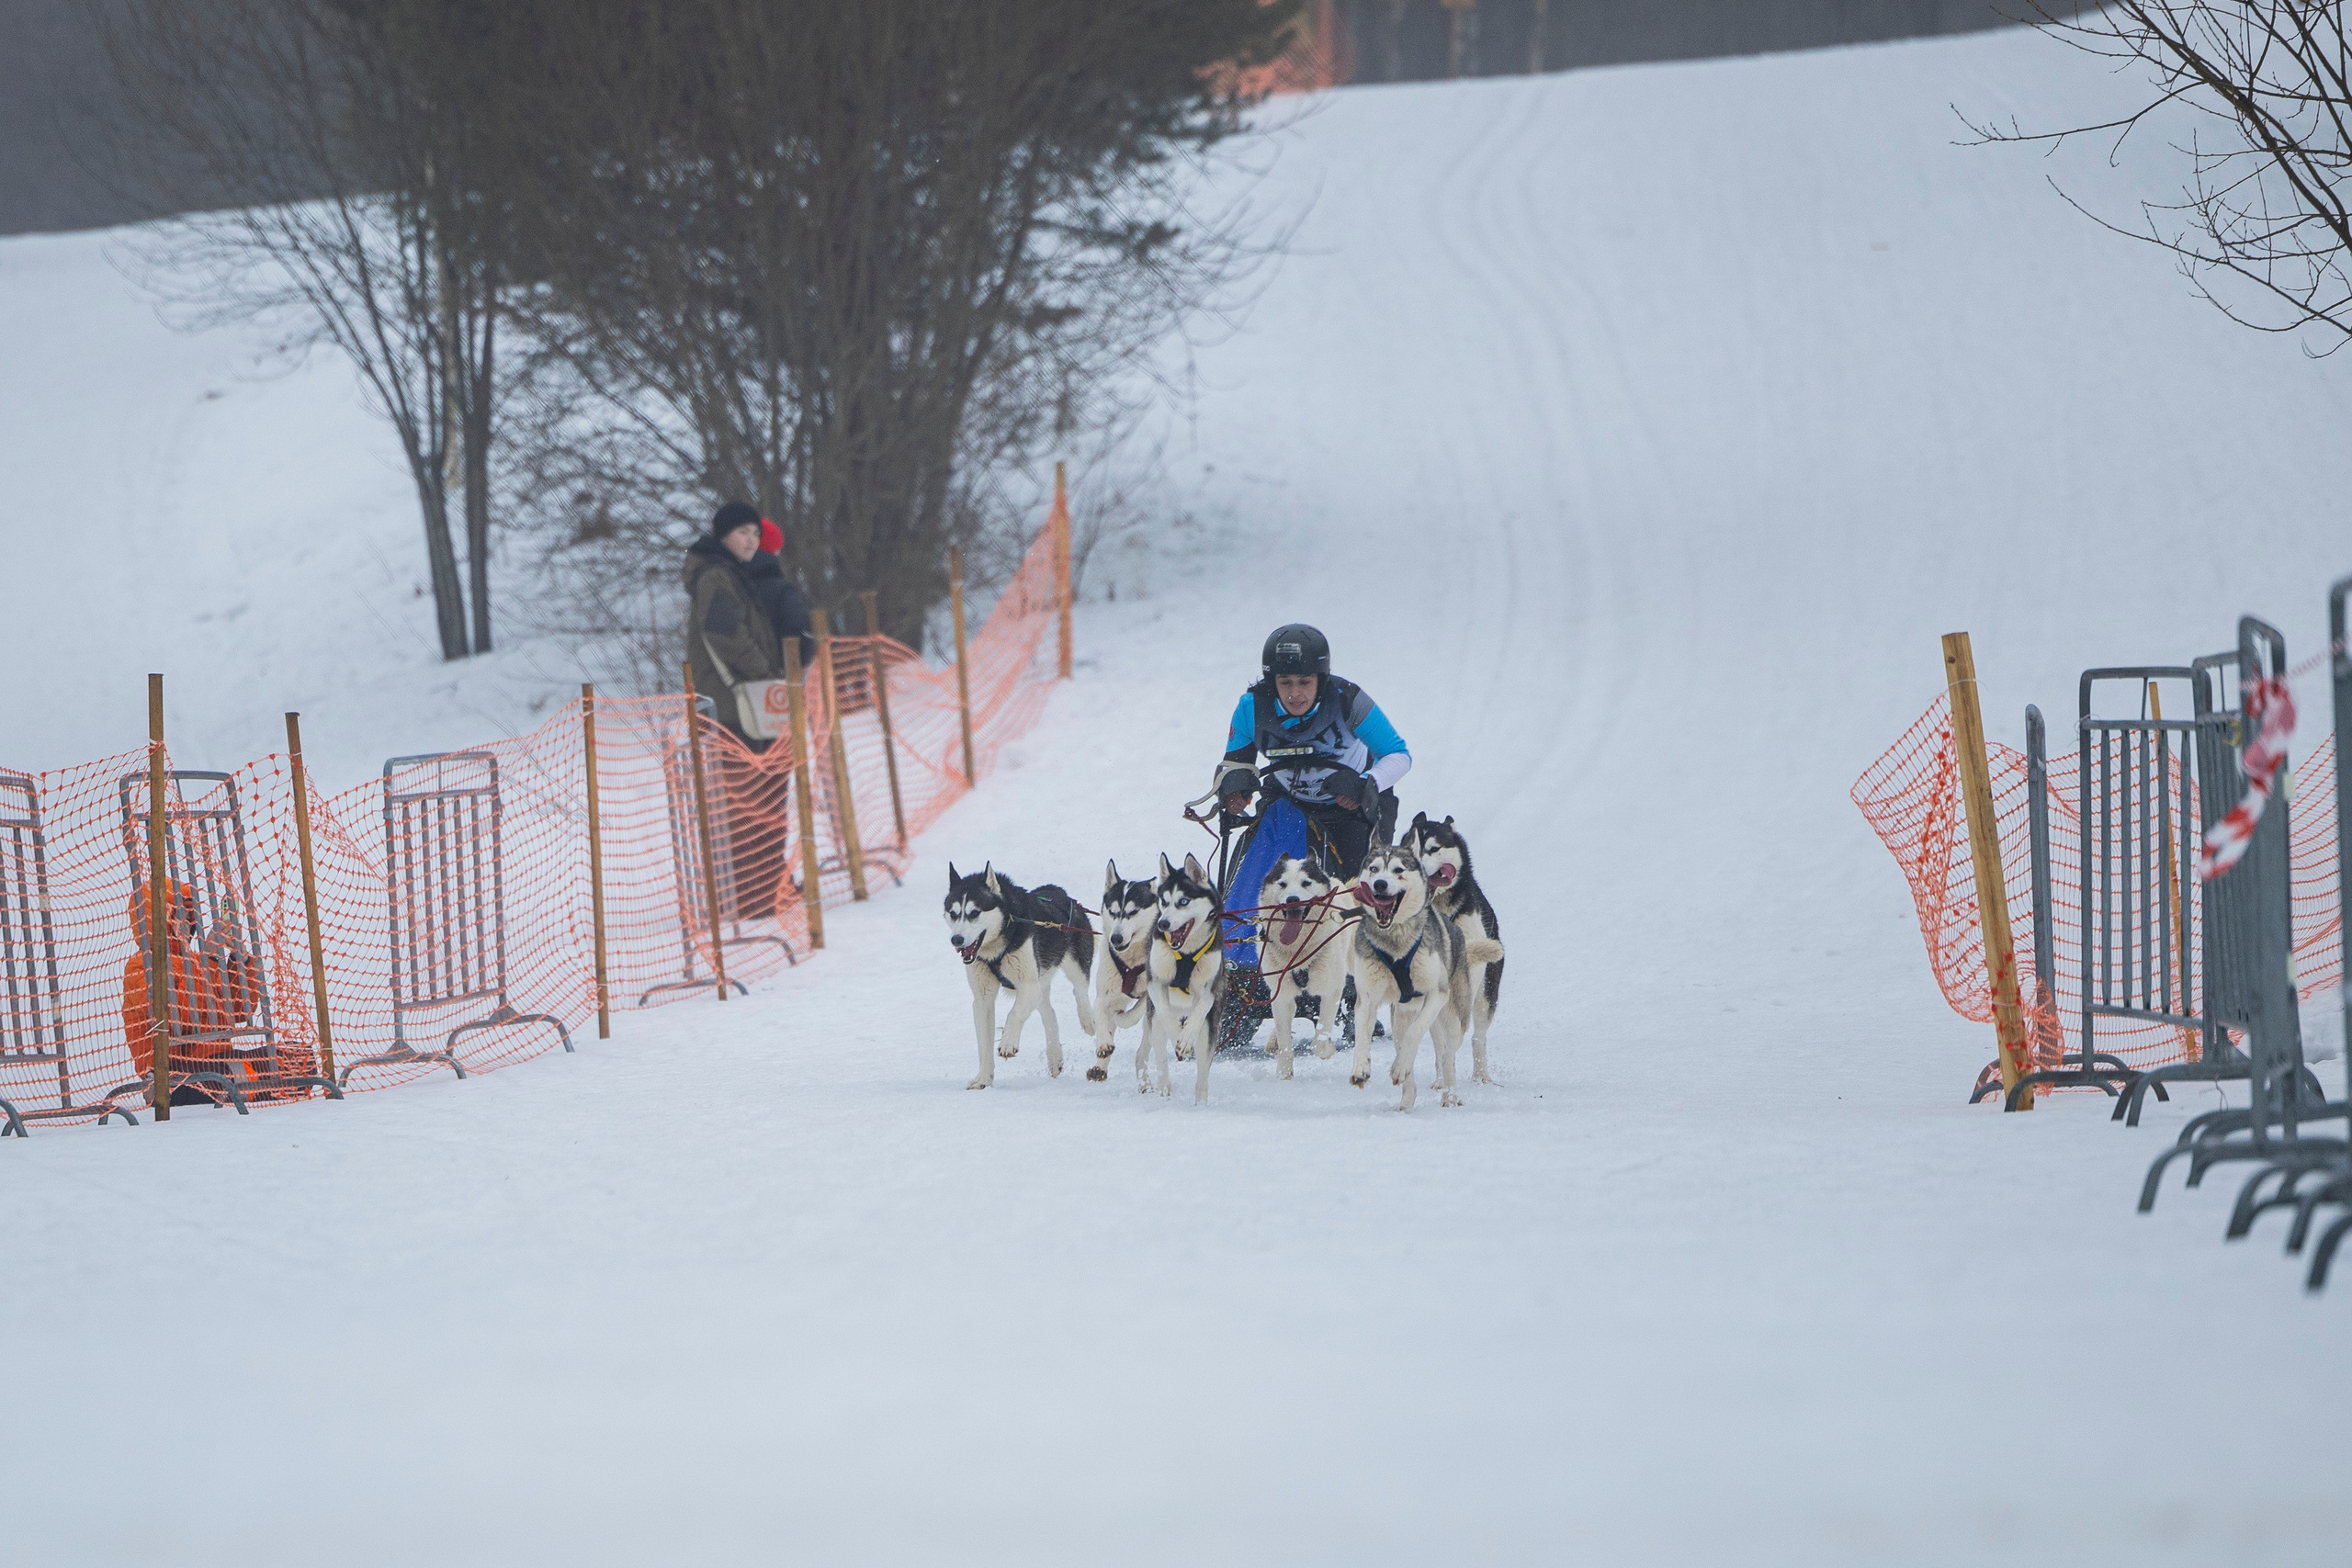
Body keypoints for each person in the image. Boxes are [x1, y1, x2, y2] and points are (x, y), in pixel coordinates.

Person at [1214, 623, 1411, 967]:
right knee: (1259, 864)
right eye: (1285, 683)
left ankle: (1358, 972)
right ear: (1270, 682)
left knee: (1357, 889)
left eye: (1305, 682)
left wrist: (1367, 783)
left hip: (1350, 805)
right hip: (1288, 800)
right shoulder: (1251, 708)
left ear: (1321, 679)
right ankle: (1240, 952)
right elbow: (1235, 764)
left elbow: (1398, 755)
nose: (1295, 694)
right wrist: (1234, 791)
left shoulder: (1348, 700)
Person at [121, 877, 262, 1106]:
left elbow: (239, 1012)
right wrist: (209, 960)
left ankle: (247, 1083)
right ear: (159, 921)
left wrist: (240, 958)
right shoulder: (141, 967)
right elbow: (181, 1018)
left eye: (191, 918)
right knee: (242, 1073)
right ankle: (244, 1084)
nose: (189, 925)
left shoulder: (197, 961)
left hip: (217, 1063)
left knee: (294, 1059)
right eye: (181, 918)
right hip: (172, 1078)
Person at [684, 500, 810, 748]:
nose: (751, 540)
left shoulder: (731, 573)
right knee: (748, 783)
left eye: (755, 533)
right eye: (742, 532)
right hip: (731, 707)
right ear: (723, 537)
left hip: (741, 703)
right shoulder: (715, 576)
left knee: (762, 782)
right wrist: (766, 674)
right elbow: (727, 634)